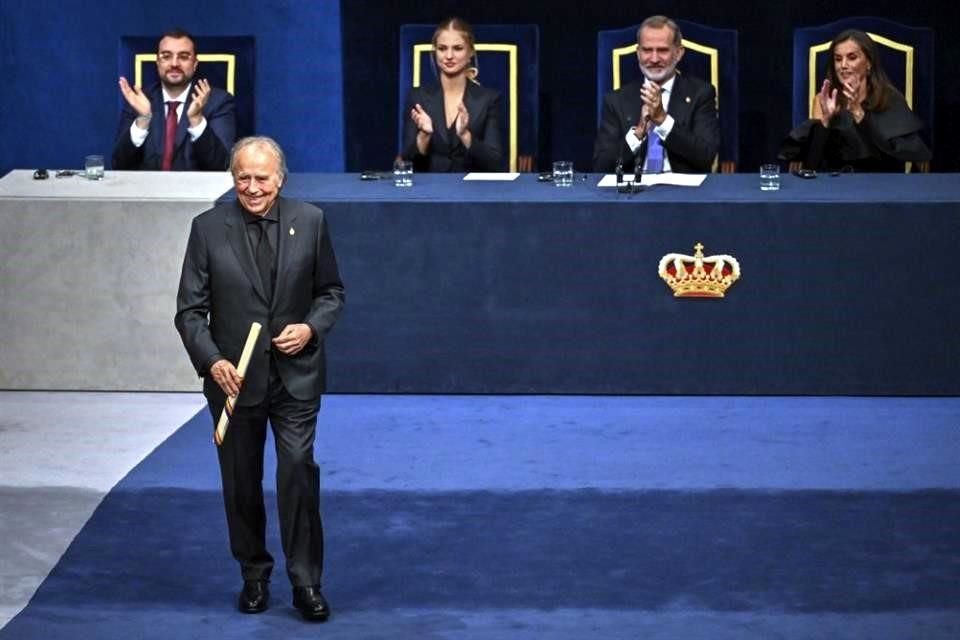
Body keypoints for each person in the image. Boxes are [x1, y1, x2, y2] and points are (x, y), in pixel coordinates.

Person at [174, 136, 344, 621]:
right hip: (234, 382)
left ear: (281, 179)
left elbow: (331, 292)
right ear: (233, 178)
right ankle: (253, 573)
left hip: (296, 377)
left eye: (261, 178)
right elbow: (189, 312)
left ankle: (306, 581)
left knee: (297, 471)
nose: (251, 188)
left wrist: (310, 326)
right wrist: (212, 361)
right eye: (242, 178)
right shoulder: (207, 228)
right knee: (241, 482)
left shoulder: (310, 221)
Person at [780, 29, 931, 172]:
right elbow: (812, 167)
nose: (843, 66)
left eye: (852, 58)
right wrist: (825, 122)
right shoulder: (823, 100)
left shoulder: (889, 98)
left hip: (880, 187)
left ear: (868, 63)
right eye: (838, 59)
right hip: (836, 187)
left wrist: (859, 114)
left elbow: (893, 160)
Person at [593, 15, 720, 174]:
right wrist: (638, 133)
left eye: (662, 50)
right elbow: (601, 166)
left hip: (683, 192)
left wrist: (662, 120)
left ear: (678, 53)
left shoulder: (701, 93)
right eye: (647, 50)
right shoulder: (615, 100)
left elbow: (706, 156)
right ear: (638, 53)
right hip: (633, 193)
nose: (654, 59)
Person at [113, 28, 235, 171]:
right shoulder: (139, 100)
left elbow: (222, 166)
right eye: (166, 56)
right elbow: (119, 165)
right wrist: (143, 119)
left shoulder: (219, 102)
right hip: (147, 191)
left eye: (183, 57)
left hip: (197, 192)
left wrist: (197, 120)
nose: (174, 63)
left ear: (195, 64)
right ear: (158, 62)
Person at [401, 17, 503, 172]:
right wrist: (424, 136)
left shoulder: (489, 99)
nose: (449, 56)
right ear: (434, 51)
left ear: (471, 52)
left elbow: (496, 164)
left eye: (457, 48)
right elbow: (407, 164)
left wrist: (465, 135)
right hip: (429, 190)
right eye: (442, 48)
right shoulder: (417, 97)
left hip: (474, 192)